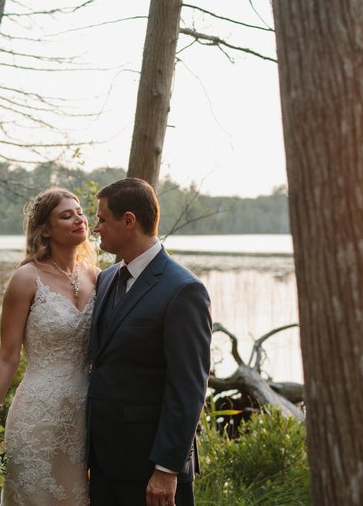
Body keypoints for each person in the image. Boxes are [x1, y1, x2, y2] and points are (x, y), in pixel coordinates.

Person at [87, 177, 212, 506]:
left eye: (102, 218)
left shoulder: (183, 290)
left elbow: (188, 387)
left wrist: (167, 468)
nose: (95, 227)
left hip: (150, 469)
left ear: (129, 221)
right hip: (102, 463)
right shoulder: (106, 278)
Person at [0, 187, 99, 505]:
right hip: (36, 417)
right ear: (45, 229)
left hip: (87, 418)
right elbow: (6, 358)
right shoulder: (26, 279)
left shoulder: (99, 278)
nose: (78, 219)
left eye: (80, 212)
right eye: (66, 215)